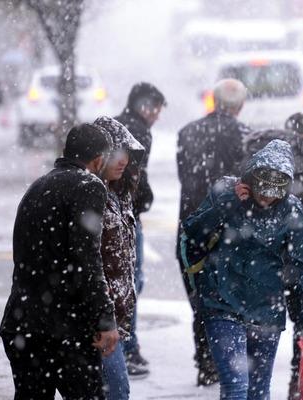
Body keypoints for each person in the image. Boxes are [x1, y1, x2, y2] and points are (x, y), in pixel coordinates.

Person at [181, 139, 303, 400]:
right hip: (223, 305)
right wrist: (227, 203)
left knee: (258, 392)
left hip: (266, 311)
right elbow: (193, 233)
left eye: (275, 191)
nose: (267, 197)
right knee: (236, 389)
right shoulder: (226, 190)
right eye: (263, 189)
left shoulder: (291, 209)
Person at [0, 123, 119, 399]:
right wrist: (104, 319)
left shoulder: (37, 187)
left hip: (23, 323)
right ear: (99, 159)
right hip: (64, 328)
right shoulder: (89, 186)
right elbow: (87, 260)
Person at [243, 112, 303, 400]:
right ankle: (299, 383)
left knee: (257, 321)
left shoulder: (260, 152)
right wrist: (299, 231)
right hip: (293, 253)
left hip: (258, 253)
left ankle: (245, 380)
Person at [176, 78, 250, 386]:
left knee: (199, 296)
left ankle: (205, 361)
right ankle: (226, 362)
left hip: (191, 225)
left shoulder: (187, 133)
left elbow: (185, 176)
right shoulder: (244, 136)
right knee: (229, 300)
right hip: (228, 228)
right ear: (240, 106)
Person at [114, 82, 166, 375]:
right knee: (131, 284)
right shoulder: (139, 131)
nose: (157, 115)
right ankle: (126, 350)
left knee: (122, 282)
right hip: (127, 216)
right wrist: (146, 200)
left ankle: (126, 347)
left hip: (113, 213)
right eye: (156, 108)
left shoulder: (116, 124)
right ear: (144, 106)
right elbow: (137, 177)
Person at [94, 116, 147, 398]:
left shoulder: (121, 193)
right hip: (100, 322)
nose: (123, 160)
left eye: (127, 153)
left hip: (116, 322)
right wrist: (102, 319)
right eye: (115, 152)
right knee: (117, 391)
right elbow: (88, 263)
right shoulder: (90, 195)